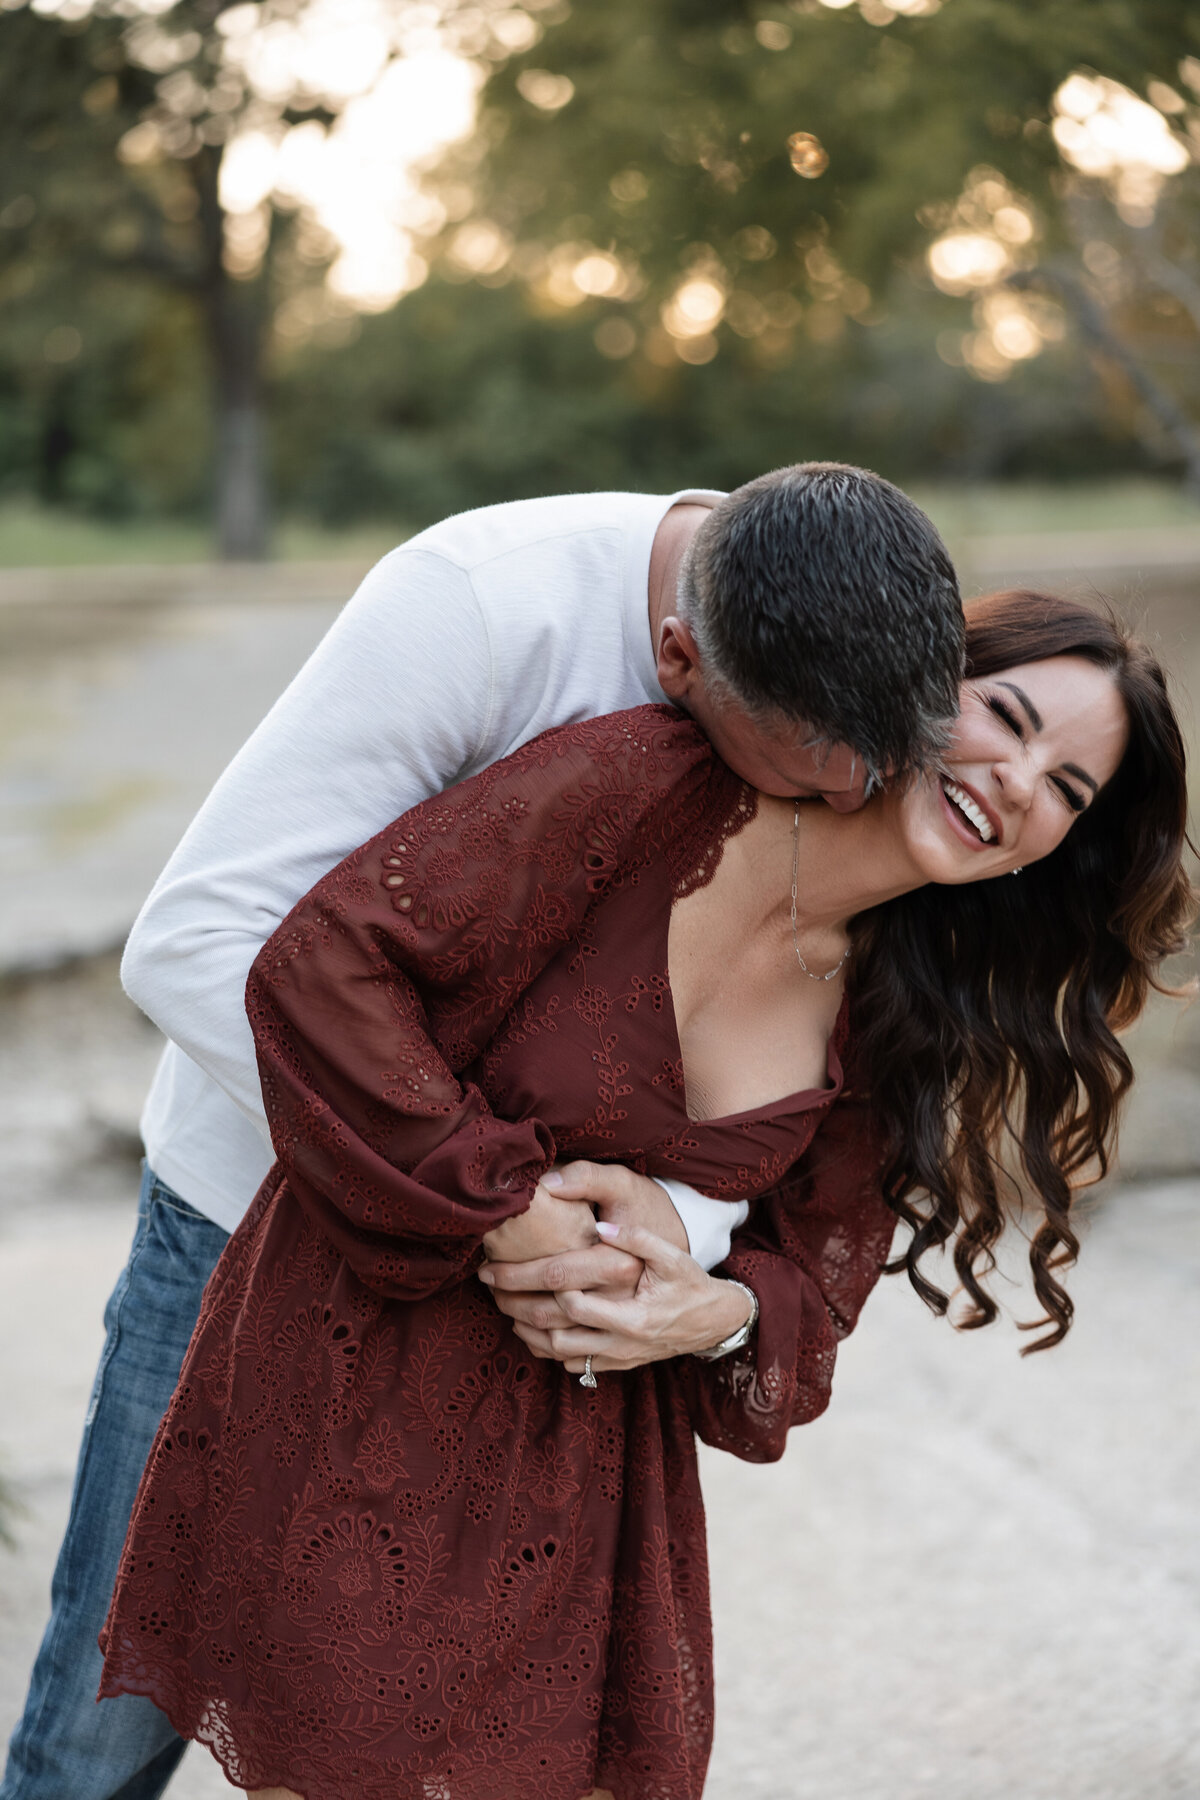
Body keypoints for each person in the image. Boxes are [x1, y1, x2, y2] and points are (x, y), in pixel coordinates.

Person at [96, 590, 1193, 1800]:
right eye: (1007, 714)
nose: (1018, 779)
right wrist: (500, 1197)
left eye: (1069, 790)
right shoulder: (649, 784)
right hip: (363, 1378)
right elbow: (325, 966)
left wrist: (706, 1309)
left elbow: (809, 1296)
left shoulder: (906, 1010)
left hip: (589, 1483)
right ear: (926, 682)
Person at [0, 463, 965, 1800]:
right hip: (251, 1232)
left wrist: (677, 1232)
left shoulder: (825, 613)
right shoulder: (480, 609)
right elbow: (195, 945)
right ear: (676, 664)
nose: (864, 797)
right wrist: (492, 1191)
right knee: (105, 1725)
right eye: (813, 775)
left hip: (522, 1342)